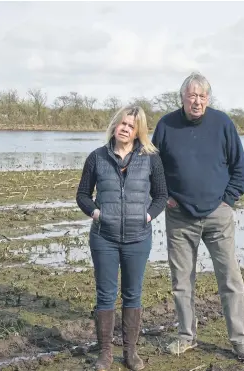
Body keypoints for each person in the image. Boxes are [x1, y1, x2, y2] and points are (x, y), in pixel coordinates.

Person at [151, 72, 244, 360]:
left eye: (202, 96)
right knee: (181, 281)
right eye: (191, 95)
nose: (196, 101)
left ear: (208, 99)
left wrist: (227, 201)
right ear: (182, 98)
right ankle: (186, 336)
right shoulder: (165, 125)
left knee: (230, 278)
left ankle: (239, 340)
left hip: (217, 215)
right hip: (179, 217)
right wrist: (165, 197)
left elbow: (240, 168)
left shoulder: (223, 123)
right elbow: (153, 168)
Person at [77, 105, 168, 371]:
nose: (125, 128)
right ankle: (105, 353)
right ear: (115, 126)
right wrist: (96, 213)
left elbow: (161, 195)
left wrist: (147, 216)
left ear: (139, 130)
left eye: (131, 125)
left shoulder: (151, 158)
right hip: (103, 237)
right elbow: (82, 194)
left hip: (138, 238)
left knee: (132, 294)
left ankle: (130, 353)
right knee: (105, 295)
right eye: (122, 123)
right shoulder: (97, 157)